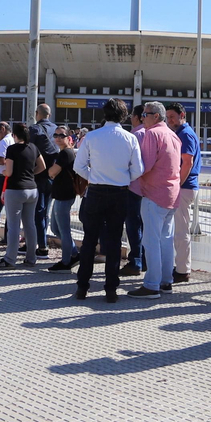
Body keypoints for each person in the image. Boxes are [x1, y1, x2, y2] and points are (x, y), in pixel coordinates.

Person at [73, 99, 144, 302]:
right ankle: (110, 289)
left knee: (89, 240)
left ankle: (82, 287)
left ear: (104, 114)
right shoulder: (130, 139)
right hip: (119, 193)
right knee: (114, 242)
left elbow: (78, 166)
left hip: (95, 191)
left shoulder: (92, 137)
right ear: (123, 116)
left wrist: (94, 176)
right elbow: (138, 170)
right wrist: (122, 178)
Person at [127, 102, 183, 298]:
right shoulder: (173, 136)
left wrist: (127, 173)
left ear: (156, 116)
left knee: (151, 241)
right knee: (166, 241)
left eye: (146, 114)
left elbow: (145, 165)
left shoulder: (152, 134)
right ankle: (166, 281)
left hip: (154, 194)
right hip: (172, 194)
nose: (143, 117)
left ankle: (151, 285)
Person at [0, 124, 47, 268]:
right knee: (30, 224)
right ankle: (31, 258)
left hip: (15, 189)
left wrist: (3, 172)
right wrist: (31, 174)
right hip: (32, 189)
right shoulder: (33, 148)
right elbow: (42, 166)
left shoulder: (12, 149)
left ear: (14, 135)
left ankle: (10, 259)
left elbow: (9, 172)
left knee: (13, 226)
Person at [166, 103, 201, 284]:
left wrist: (176, 185)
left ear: (182, 115)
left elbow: (187, 162)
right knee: (179, 230)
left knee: (181, 231)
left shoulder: (186, 134)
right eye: (167, 117)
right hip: (185, 186)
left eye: (172, 116)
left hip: (184, 187)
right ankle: (180, 267)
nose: (169, 120)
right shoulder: (183, 133)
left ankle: (182, 270)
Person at [46, 128, 79, 271]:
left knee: (64, 230)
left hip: (65, 195)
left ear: (68, 137)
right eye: (56, 135)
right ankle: (74, 254)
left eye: (61, 135)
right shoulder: (64, 152)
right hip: (59, 195)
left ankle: (66, 262)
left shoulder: (66, 153)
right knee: (55, 228)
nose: (58, 138)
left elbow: (52, 172)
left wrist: (51, 172)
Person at [120, 104, 147, 277]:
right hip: (149, 189)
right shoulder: (154, 134)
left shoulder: (135, 135)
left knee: (133, 226)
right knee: (146, 227)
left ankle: (135, 260)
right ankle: (144, 260)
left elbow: (127, 162)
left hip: (133, 186)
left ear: (137, 117)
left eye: (132, 116)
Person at [32, 104, 60, 259]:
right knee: (45, 211)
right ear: (49, 114)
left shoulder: (35, 129)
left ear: (38, 114)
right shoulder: (57, 130)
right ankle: (42, 242)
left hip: (38, 175)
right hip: (53, 175)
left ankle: (41, 246)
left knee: (38, 211)